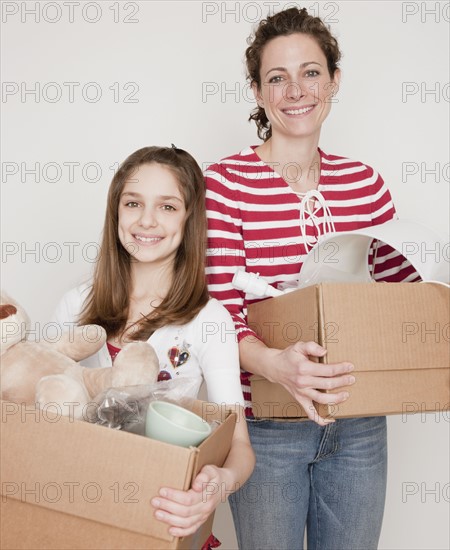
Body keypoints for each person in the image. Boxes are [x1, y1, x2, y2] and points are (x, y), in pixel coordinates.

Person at [205, 8, 418, 550]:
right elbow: (217, 314)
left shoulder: (364, 183)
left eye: (311, 72)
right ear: (256, 91)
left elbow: (401, 297)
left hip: (360, 418)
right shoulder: (224, 184)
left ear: (334, 80)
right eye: (277, 77)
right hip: (266, 427)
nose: (295, 90)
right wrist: (278, 364)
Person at [52, 145, 255, 539]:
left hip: (160, 520)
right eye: (133, 203)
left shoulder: (210, 320)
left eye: (167, 206)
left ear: (189, 218)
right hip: (78, 514)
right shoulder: (75, 303)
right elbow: (50, 408)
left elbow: (240, 445)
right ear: (116, 212)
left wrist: (219, 483)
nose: (146, 221)